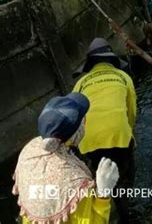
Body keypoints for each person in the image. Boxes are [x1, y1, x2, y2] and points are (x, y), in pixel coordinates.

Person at [13, 93, 119, 224]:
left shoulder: (28, 150)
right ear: (76, 132)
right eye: (83, 119)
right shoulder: (75, 183)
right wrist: (103, 193)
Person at [73, 38, 137, 223]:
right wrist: (131, 133)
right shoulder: (123, 77)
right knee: (123, 178)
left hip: (88, 141)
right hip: (119, 136)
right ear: (111, 59)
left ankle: (100, 212)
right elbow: (131, 110)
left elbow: (74, 115)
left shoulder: (81, 83)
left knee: (97, 177)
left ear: (90, 63)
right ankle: (125, 213)